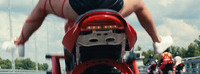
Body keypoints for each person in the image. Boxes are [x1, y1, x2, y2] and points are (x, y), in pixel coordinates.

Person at [14, 0, 172, 54]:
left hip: (79, 7)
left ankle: (20, 41)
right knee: (139, 4)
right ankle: (157, 41)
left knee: (42, 5)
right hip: (112, 5)